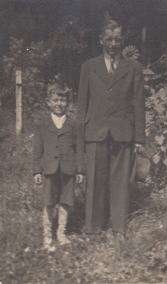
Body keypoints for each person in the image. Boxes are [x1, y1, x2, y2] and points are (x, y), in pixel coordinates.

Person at [77, 20, 145, 235]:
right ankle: (93, 229)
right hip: (95, 131)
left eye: (117, 39)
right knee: (95, 181)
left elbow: (139, 104)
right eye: (109, 39)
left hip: (123, 132)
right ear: (101, 40)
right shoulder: (88, 66)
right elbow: (82, 105)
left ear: (122, 40)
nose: (113, 43)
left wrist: (139, 138)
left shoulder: (133, 67)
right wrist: (80, 138)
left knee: (120, 183)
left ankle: (119, 228)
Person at [33, 83, 84, 251]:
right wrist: (36, 171)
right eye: (55, 100)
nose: (59, 103)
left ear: (68, 103)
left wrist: (80, 170)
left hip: (68, 170)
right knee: (49, 203)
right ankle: (47, 236)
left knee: (65, 202)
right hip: (49, 170)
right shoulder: (42, 124)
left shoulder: (74, 124)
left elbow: (79, 149)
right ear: (48, 102)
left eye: (63, 100)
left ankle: (61, 234)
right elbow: (37, 150)